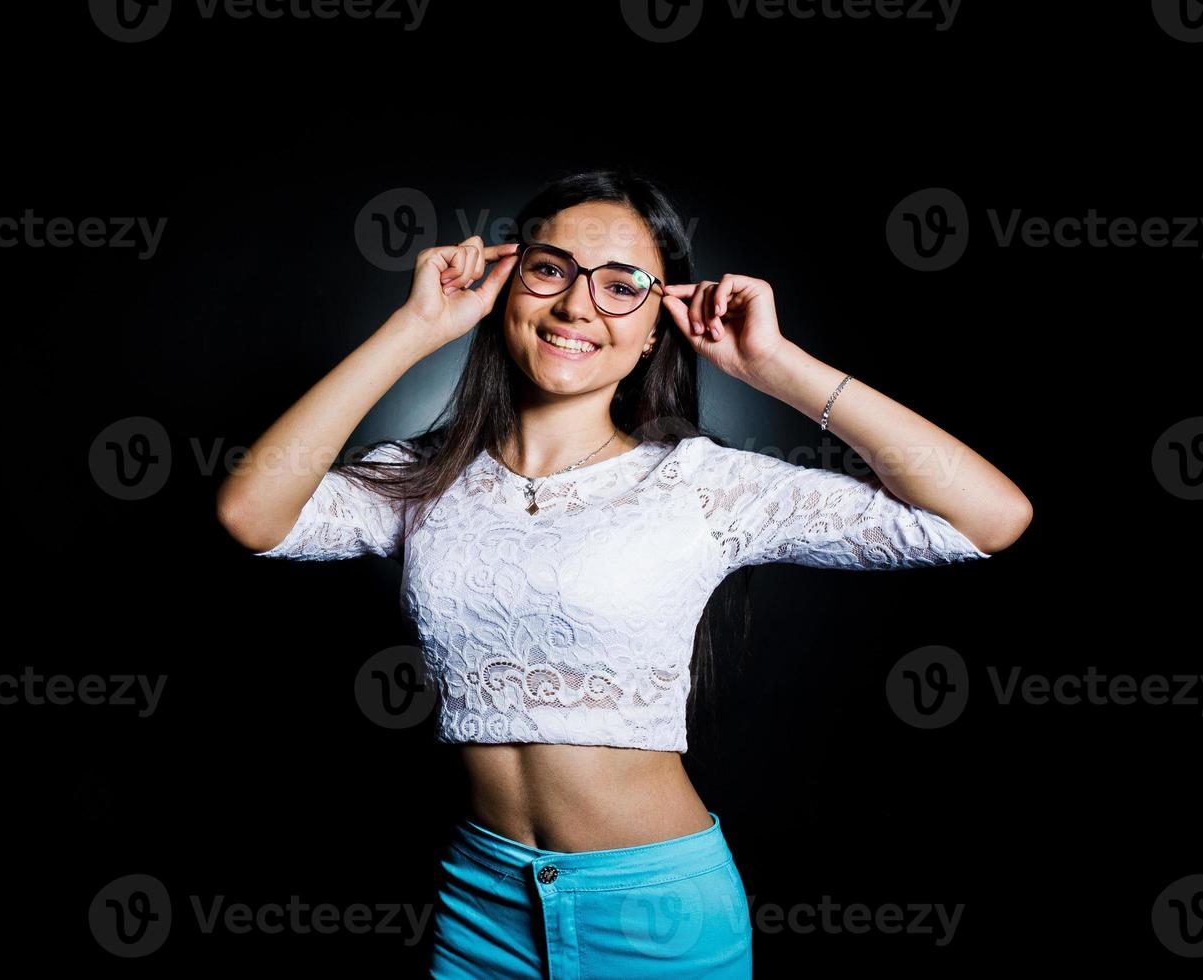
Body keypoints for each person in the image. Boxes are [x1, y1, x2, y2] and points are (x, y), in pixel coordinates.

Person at [216, 169, 1032, 977]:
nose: (577, 306)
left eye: (622, 286)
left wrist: (776, 366)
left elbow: (985, 518)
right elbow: (252, 516)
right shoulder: (423, 479)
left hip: (654, 913)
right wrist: (412, 329)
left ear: (654, 329)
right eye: (550, 270)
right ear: (508, 287)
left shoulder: (702, 485)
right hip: (478, 903)